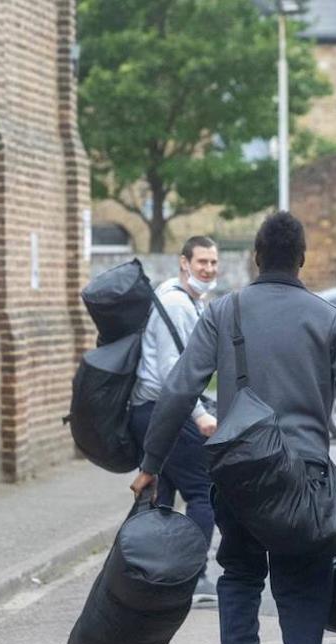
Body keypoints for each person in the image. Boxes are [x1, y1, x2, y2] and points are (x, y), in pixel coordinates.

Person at [130, 212, 336, 644]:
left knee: (241, 573)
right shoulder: (329, 318)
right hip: (306, 477)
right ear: (303, 258)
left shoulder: (225, 312)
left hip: (240, 472)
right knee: (302, 580)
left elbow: (178, 391)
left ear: (256, 259)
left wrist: (151, 465)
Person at [127, 235, 221, 604]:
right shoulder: (177, 305)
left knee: (161, 496)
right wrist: (199, 416)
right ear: (184, 262)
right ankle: (194, 578)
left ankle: (155, 579)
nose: (208, 270)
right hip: (163, 410)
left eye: (213, 263)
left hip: (148, 410)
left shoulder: (182, 299)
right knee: (203, 491)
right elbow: (173, 372)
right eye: (201, 262)